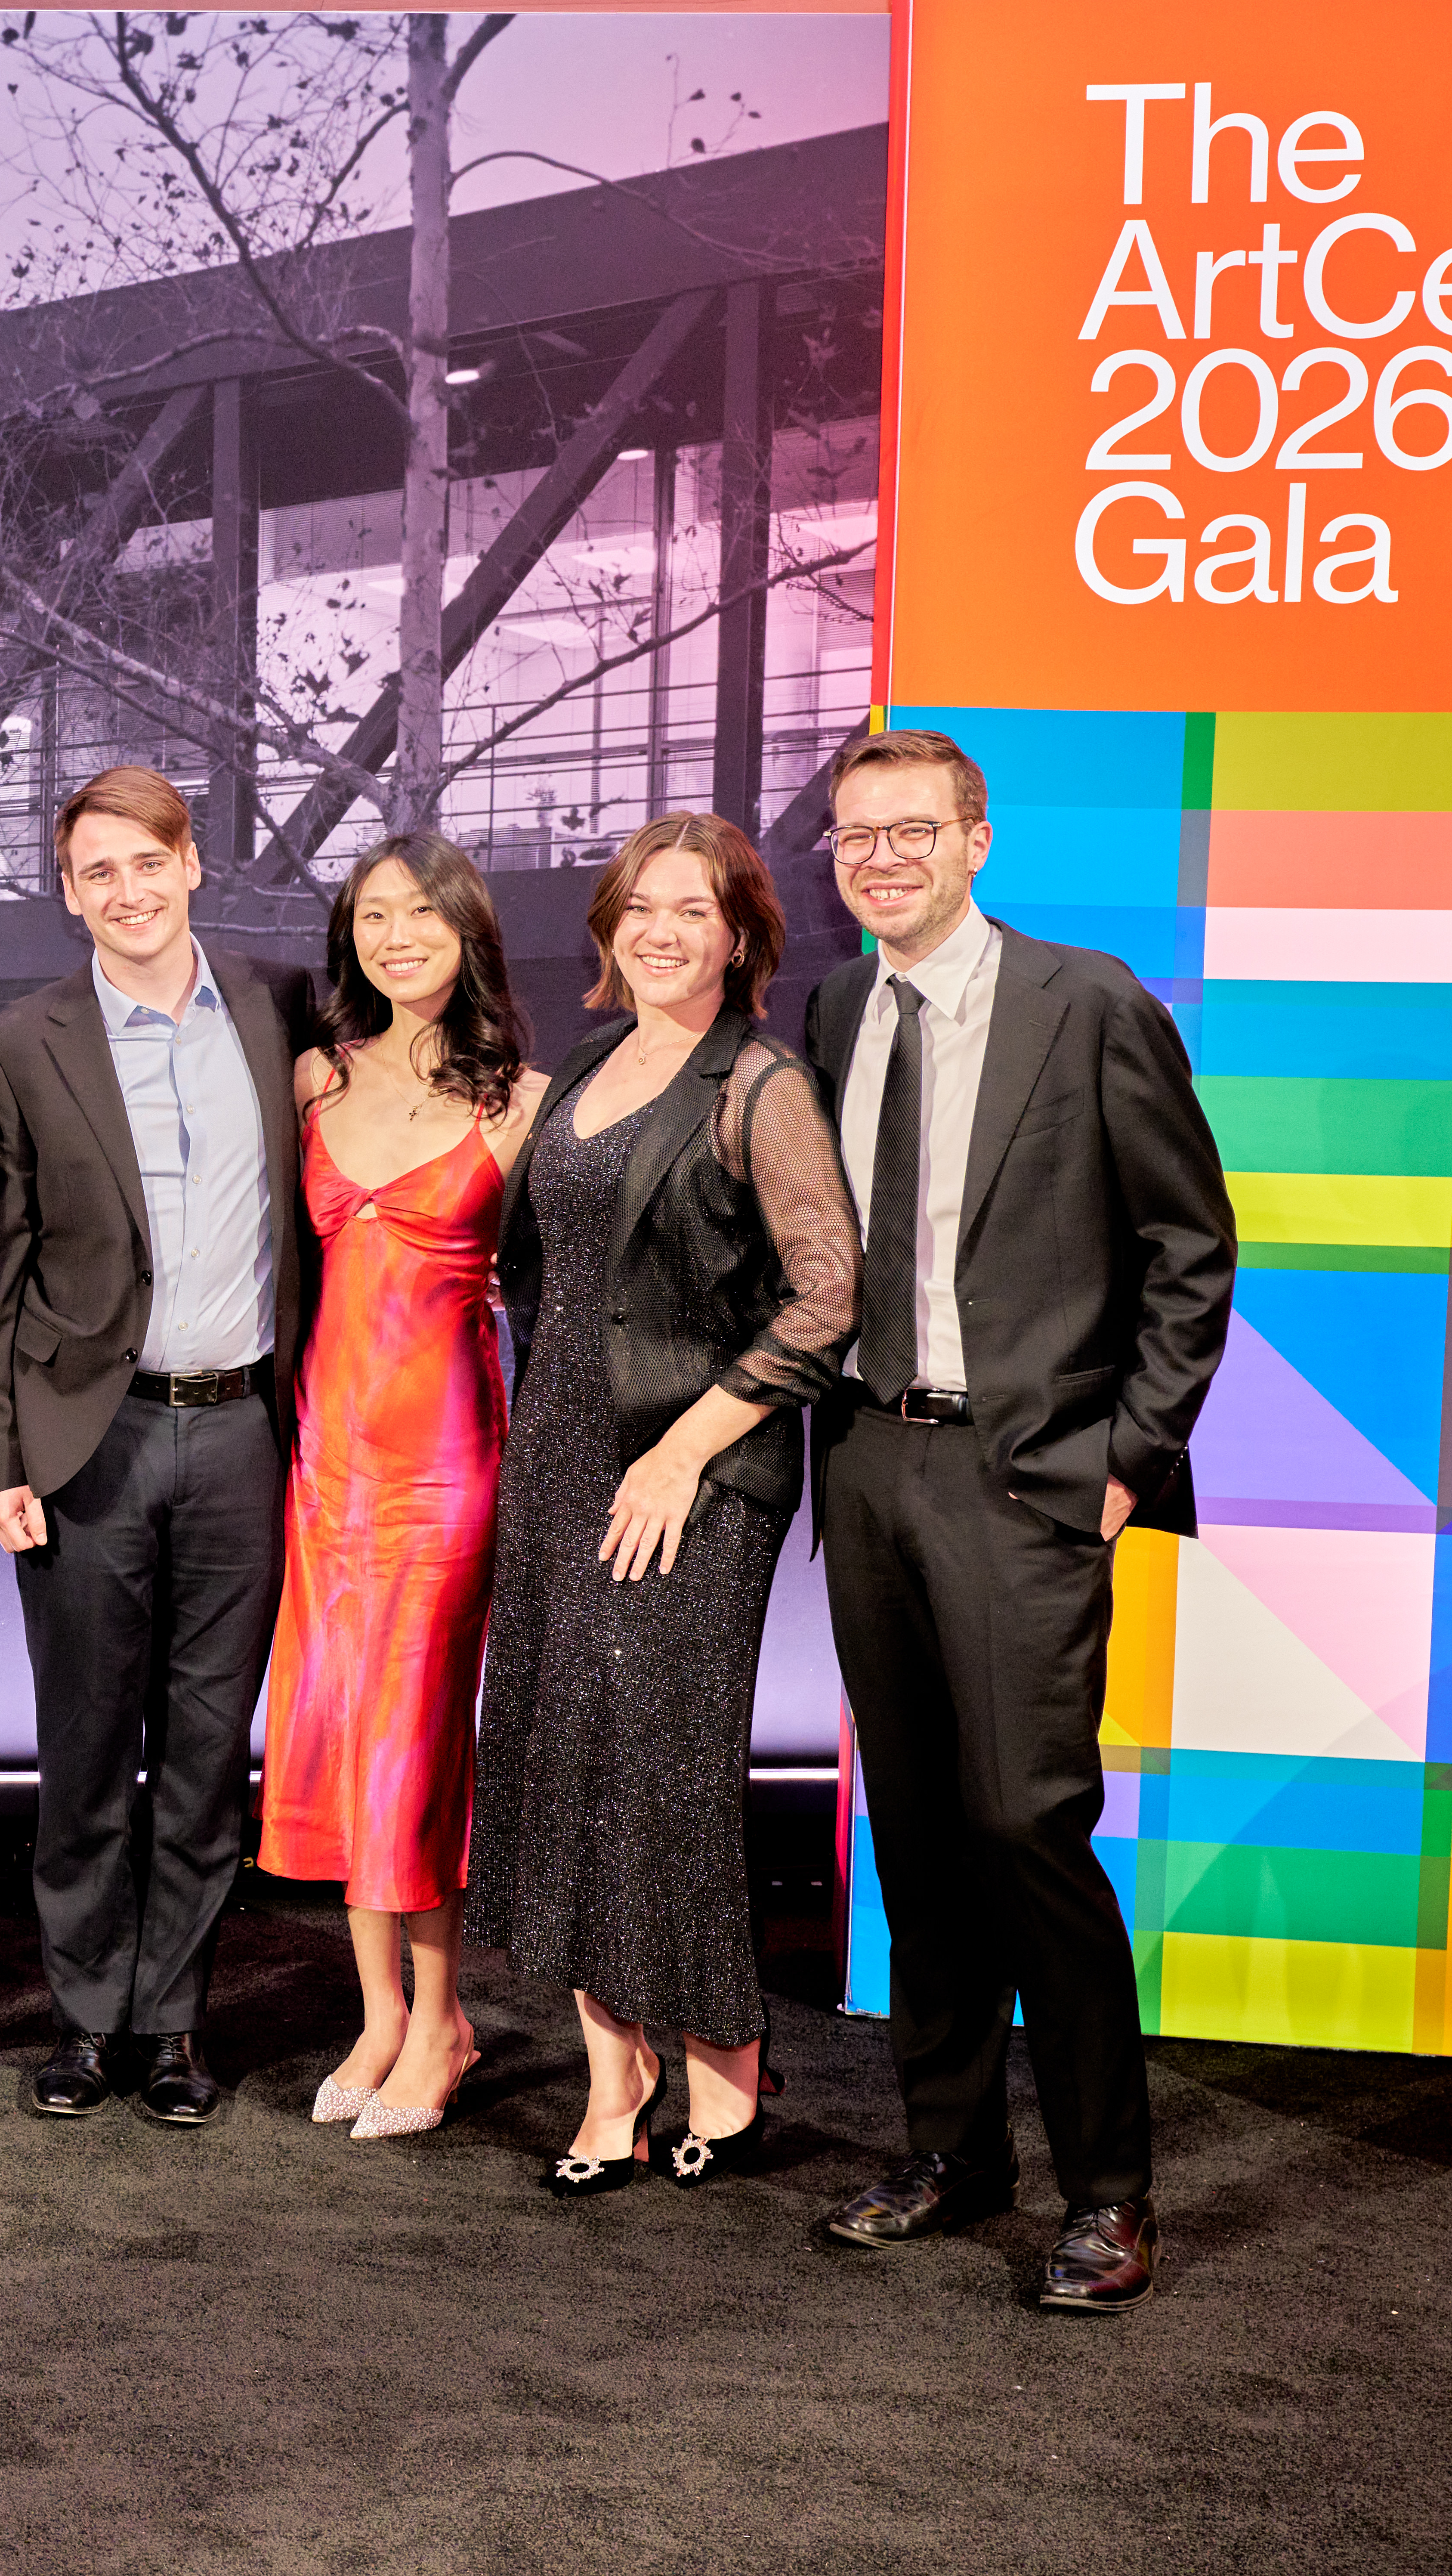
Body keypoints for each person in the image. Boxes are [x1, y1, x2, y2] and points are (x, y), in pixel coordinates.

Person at [805, 728, 1233, 2314]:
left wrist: (1126, 1455)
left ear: (976, 839)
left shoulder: (1090, 1001)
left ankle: (1110, 2193)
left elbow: (1192, 1244)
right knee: (914, 1833)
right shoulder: (838, 1007)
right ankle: (950, 2146)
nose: (882, 858)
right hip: (867, 1463)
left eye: (912, 830)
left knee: (1024, 1827)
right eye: (856, 835)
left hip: (1026, 1474)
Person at [465, 814, 857, 2196]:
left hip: (687, 1473)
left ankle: (728, 2056)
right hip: (558, 1459)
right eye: (638, 906)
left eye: (691, 910)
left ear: (740, 935)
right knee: (556, 1753)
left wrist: (682, 1449)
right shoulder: (580, 1067)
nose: (659, 930)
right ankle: (610, 2071)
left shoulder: (758, 1085)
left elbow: (826, 1299)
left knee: (662, 1768)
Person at [0, 765, 321, 2127]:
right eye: (93, 871)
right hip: (85, 1442)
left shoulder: (280, 1006)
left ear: (190, 864)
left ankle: (169, 2021)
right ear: (68, 894)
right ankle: (80, 2017)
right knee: (82, 1746)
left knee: (202, 1753)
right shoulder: (17, 1044)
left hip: (241, 1432)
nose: (123, 889)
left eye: (144, 862)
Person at [259, 833, 547, 2139]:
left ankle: (441, 2021)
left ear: (465, 929)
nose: (393, 934)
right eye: (370, 914)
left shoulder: (522, 1099)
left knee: (412, 1744)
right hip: (326, 1464)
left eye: (419, 912)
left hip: (446, 1466)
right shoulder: (315, 1075)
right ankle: (376, 2010)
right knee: (332, 1732)